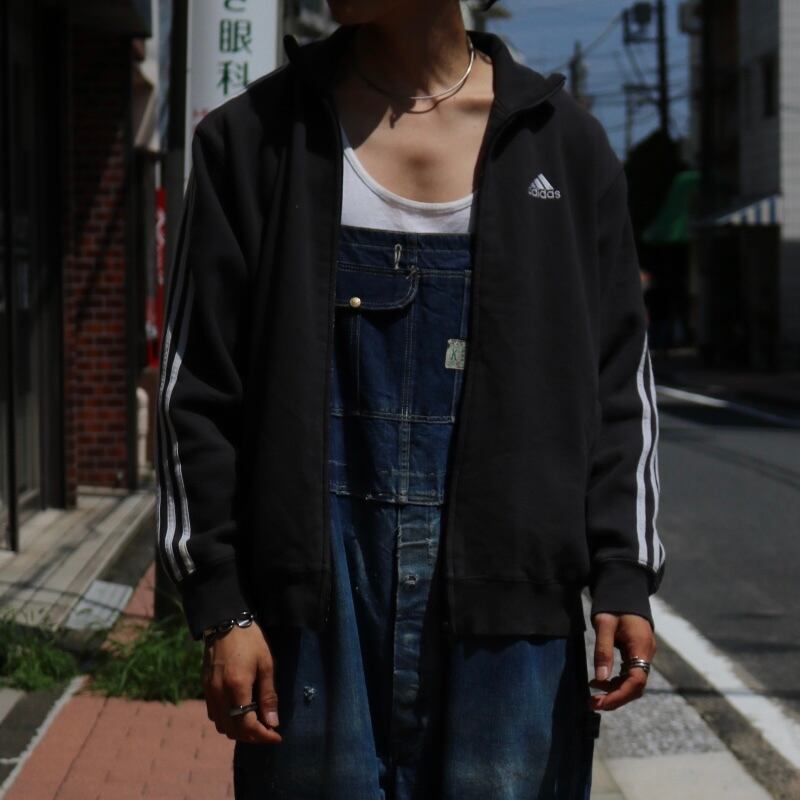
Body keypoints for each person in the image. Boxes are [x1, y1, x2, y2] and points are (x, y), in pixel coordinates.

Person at [155, 0, 665, 797]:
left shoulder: (565, 148)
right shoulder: (253, 139)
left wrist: (624, 571)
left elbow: (618, 385)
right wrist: (222, 603)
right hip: (311, 624)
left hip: (512, 624)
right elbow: (197, 390)